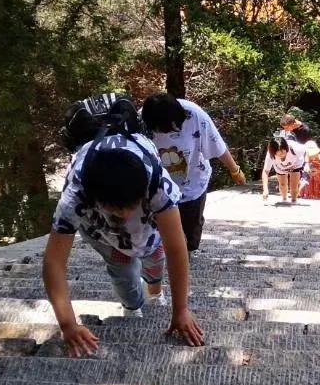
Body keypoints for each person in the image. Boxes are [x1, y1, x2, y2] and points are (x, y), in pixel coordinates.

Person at [43, 119, 204, 356]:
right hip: (104, 232)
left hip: (147, 227)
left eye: (131, 207)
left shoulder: (157, 182)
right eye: (117, 211)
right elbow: (53, 262)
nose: (125, 215)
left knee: (155, 258)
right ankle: (132, 306)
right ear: (95, 201)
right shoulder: (76, 194)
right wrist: (68, 324)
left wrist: (181, 309)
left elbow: (176, 247)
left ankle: (155, 292)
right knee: (124, 271)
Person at [141, 92, 246, 254]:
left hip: (193, 183)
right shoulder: (141, 121)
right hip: (159, 188)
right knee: (159, 231)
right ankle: (169, 255)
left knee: (191, 231)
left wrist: (235, 170)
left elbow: (217, 145)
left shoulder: (195, 115)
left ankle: (186, 253)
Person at [262, 133, 305, 204]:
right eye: (277, 153)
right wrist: (265, 189)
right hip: (280, 167)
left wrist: (307, 165)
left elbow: (307, 152)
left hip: (295, 164)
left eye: (282, 151)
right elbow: (266, 171)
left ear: (286, 147)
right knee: (282, 184)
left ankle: (294, 200)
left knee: (294, 185)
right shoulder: (270, 155)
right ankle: (284, 198)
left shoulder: (295, 147)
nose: (281, 154)